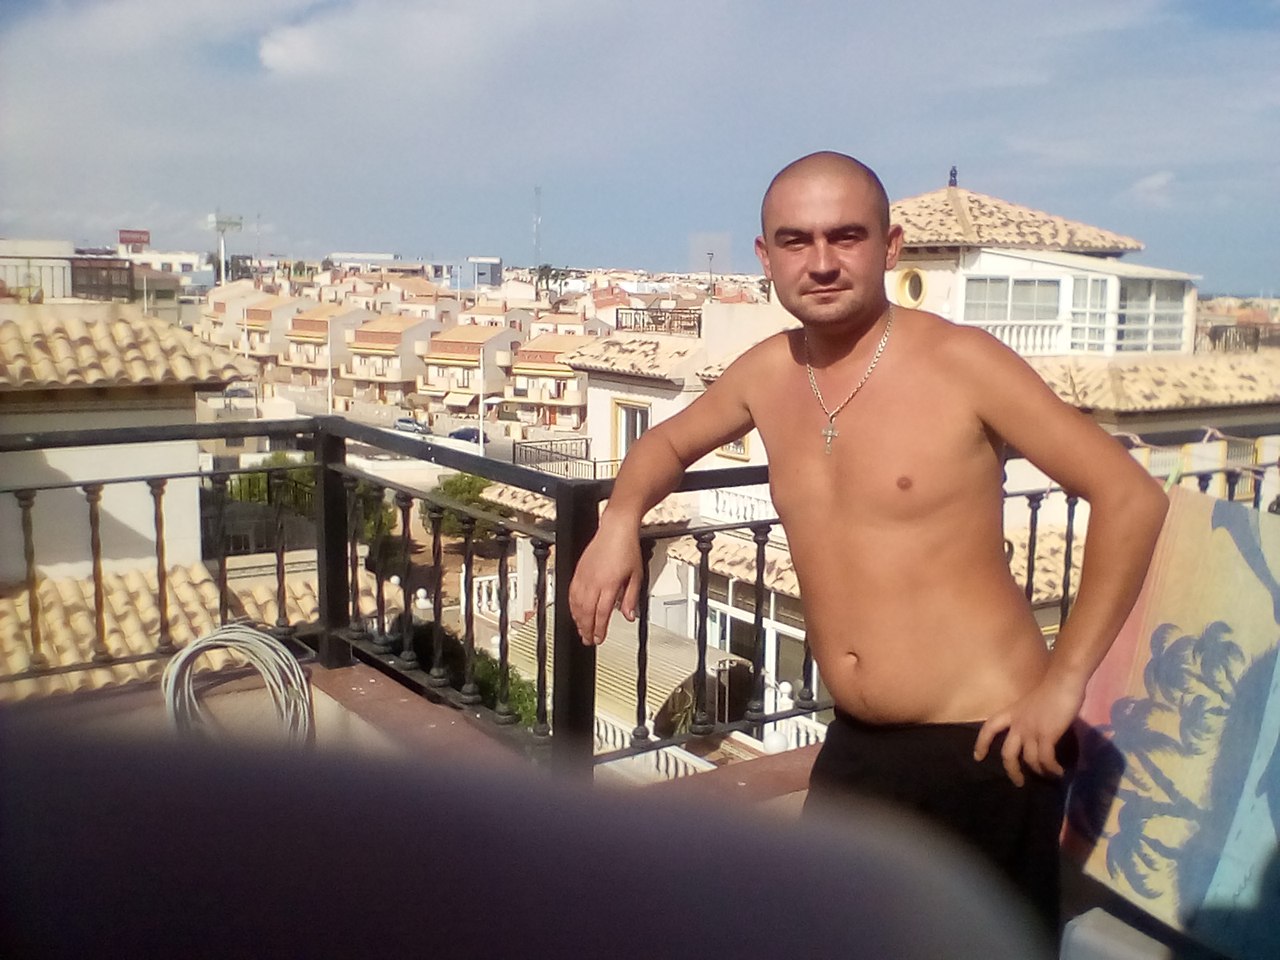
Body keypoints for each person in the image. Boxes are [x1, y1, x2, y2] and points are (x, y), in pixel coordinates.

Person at [567, 151, 1169, 931]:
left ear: (890, 247)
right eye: (796, 241)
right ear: (766, 258)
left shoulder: (961, 362)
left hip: (984, 741)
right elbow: (666, 442)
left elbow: (1130, 496)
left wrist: (1065, 685)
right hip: (857, 739)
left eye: (845, 236)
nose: (821, 262)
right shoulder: (768, 372)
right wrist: (620, 520)